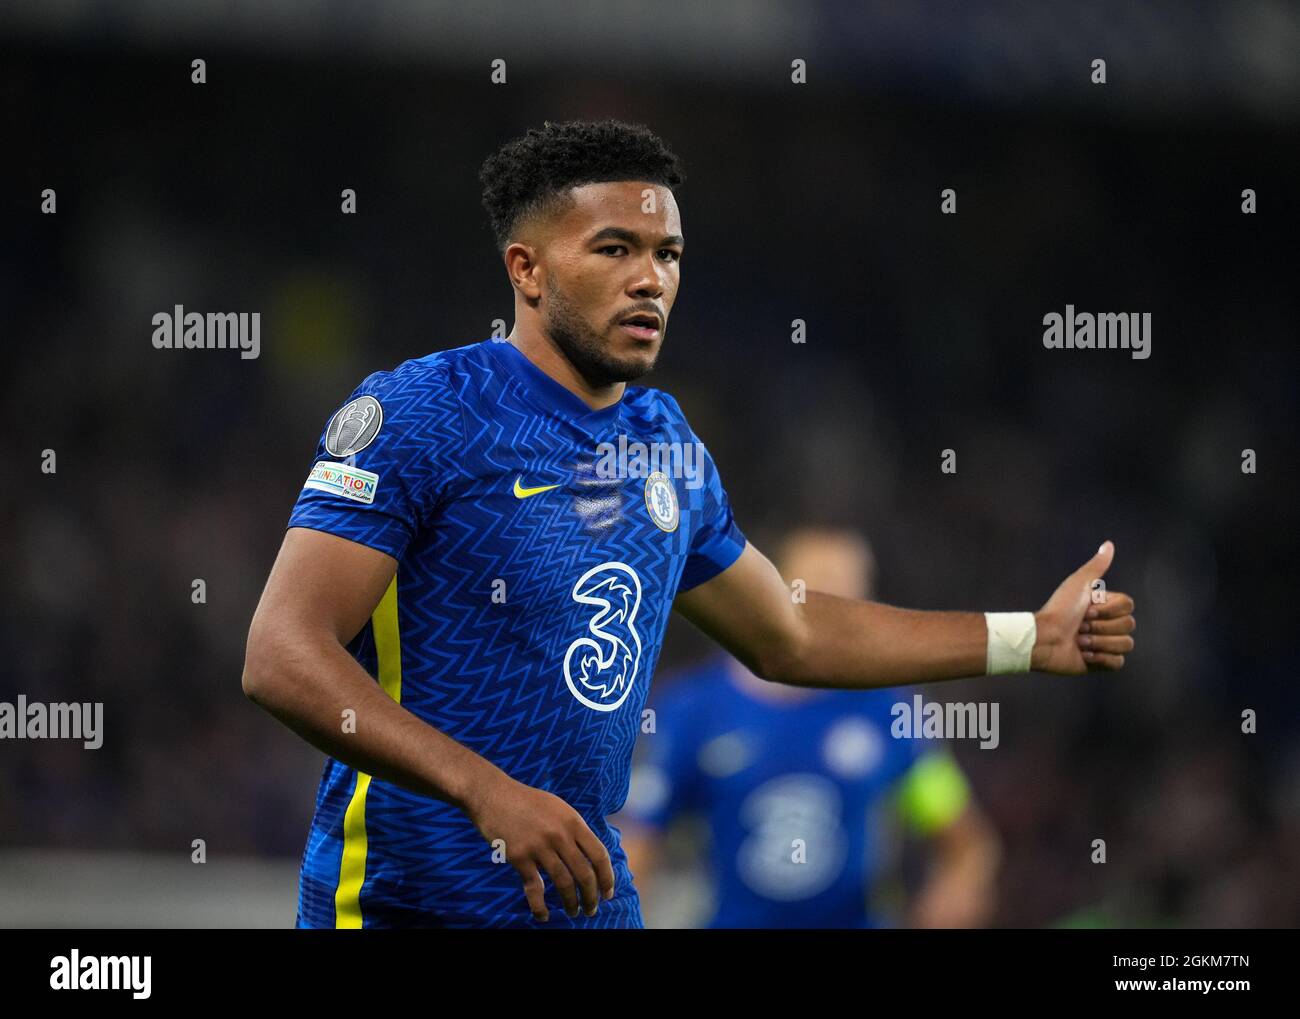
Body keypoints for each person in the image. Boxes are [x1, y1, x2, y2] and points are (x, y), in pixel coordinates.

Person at [241, 119, 1136, 928]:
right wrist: (486, 791)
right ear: (527, 268)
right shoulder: (425, 412)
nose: (650, 279)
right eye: (615, 248)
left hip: (586, 905)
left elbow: (789, 630)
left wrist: (1030, 637)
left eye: (668, 254)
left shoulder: (666, 444)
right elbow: (281, 654)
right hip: (407, 907)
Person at [618, 527, 1001, 928]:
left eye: (851, 594)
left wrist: (957, 888)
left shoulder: (886, 708)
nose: (838, 607)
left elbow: (962, 837)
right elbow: (638, 843)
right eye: (821, 590)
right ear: (773, 592)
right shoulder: (693, 710)